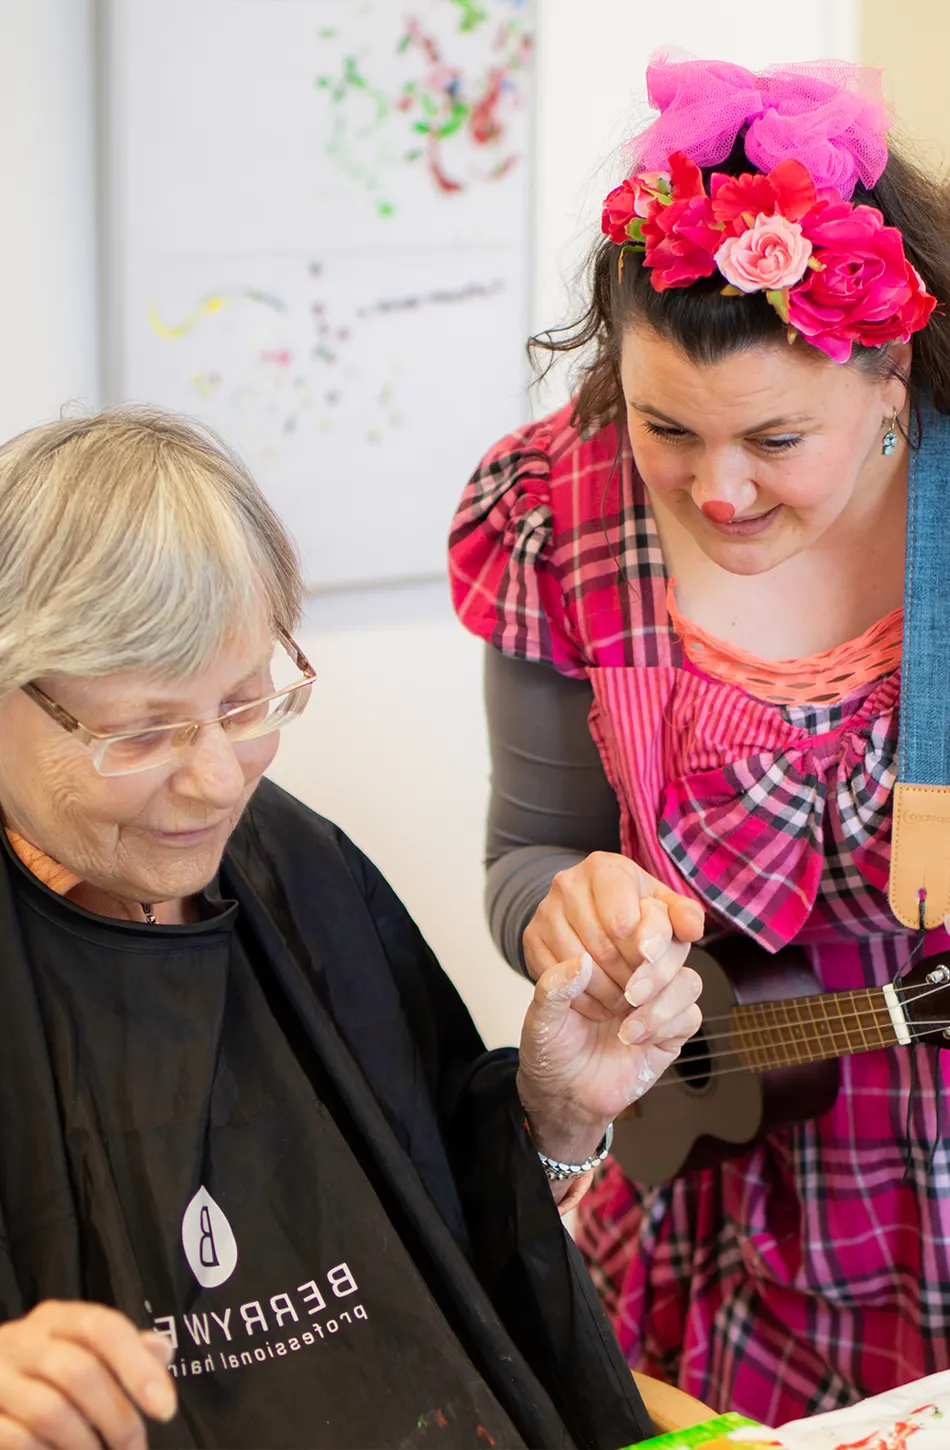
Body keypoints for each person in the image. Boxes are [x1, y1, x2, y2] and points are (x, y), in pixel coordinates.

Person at [0, 408, 703, 1450]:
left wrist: (556, 1118)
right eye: (141, 732)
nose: (211, 781)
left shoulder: (294, 862)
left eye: (247, 705)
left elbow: (451, 1254)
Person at [449, 51, 950, 1429]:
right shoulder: (561, 508)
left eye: (777, 437)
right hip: (717, 1181)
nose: (716, 489)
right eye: (667, 424)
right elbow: (525, 851)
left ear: (889, 365)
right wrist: (568, 910)